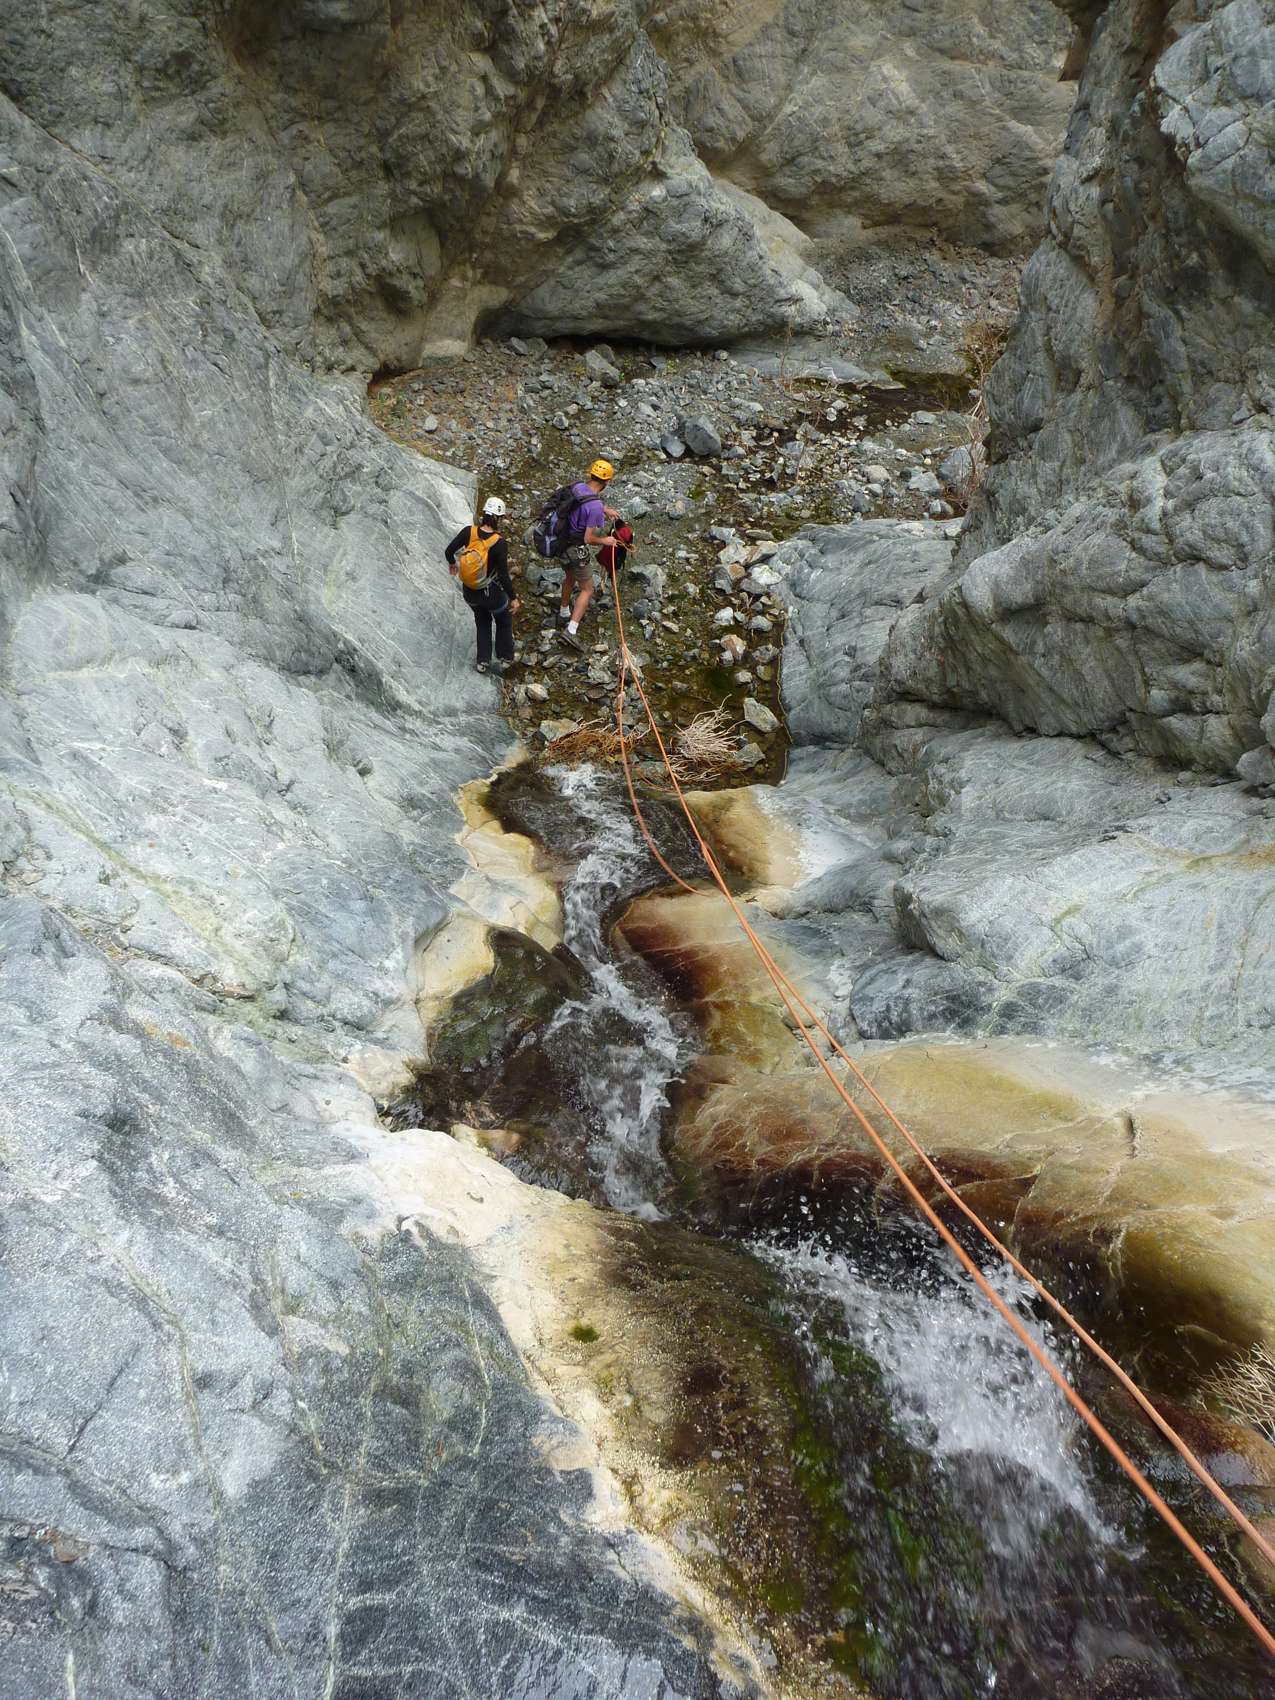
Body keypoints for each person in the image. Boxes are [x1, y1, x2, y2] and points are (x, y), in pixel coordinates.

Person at [445, 496, 519, 674]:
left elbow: (449, 551)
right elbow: (503, 576)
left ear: (484, 514)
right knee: (503, 619)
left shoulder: (468, 532)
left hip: (469, 591)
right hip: (490, 593)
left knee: (482, 621)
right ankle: (505, 657)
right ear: (498, 518)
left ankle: (482, 661)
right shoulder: (499, 543)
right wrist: (514, 598)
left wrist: (453, 564)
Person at [556, 457, 619, 652]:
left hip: (561, 543)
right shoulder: (595, 507)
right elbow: (588, 538)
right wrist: (606, 541)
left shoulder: (577, 487)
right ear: (607, 481)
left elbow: (583, 502)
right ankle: (571, 630)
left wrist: (605, 510)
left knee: (569, 577)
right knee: (587, 589)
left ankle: (563, 612)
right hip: (576, 549)